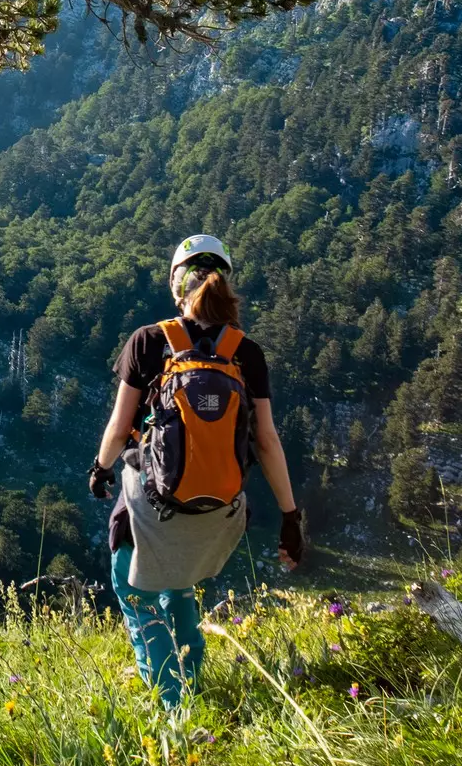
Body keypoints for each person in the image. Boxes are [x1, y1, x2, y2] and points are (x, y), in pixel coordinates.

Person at [88, 235, 304, 705]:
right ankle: (191, 683)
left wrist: (100, 471)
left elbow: (118, 427)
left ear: (175, 285)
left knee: (136, 595)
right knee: (179, 589)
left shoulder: (149, 341)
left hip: (152, 507)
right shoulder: (245, 352)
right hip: (217, 508)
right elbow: (266, 441)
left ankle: (175, 709)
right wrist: (290, 517)